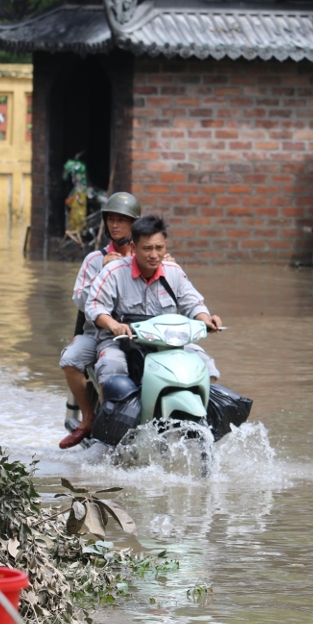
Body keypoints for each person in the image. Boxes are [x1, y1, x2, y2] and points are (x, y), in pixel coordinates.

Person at [82, 214, 222, 428]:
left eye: (159, 248)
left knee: (206, 367)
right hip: (120, 342)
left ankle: (204, 426)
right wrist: (112, 324)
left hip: (168, 344)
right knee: (112, 372)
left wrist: (206, 319)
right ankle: (108, 429)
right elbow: (94, 306)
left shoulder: (174, 272)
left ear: (166, 245)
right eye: (147, 248)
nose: (154, 255)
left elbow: (192, 302)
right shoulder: (114, 271)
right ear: (133, 247)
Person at [58, 192, 140, 449]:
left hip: (136, 334)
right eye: (111, 220)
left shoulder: (146, 259)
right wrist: (103, 271)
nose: (115, 225)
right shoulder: (94, 259)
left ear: (134, 225)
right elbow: (81, 301)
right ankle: (90, 418)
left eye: (122, 220)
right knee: (71, 359)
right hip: (97, 334)